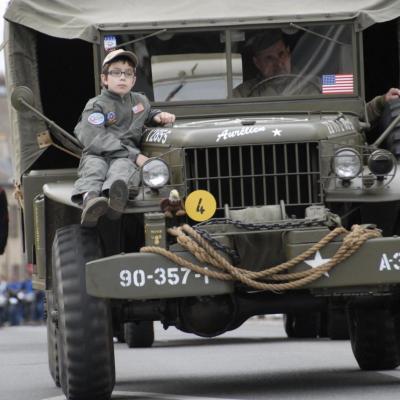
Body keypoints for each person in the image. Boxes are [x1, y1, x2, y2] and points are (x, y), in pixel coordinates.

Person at [71, 49, 175, 226]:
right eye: (116, 72)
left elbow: (147, 113)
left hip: (124, 158)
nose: (122, 77)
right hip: (99, 154)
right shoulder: (96, 105)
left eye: (128, 73)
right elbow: (93, 137)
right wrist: (136, 156)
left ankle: (115, 201)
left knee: (123, 171)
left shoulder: (140, 101)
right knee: (94, 169)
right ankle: (91, 202)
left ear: (133, 80)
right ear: (104, 79)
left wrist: (158, 116)